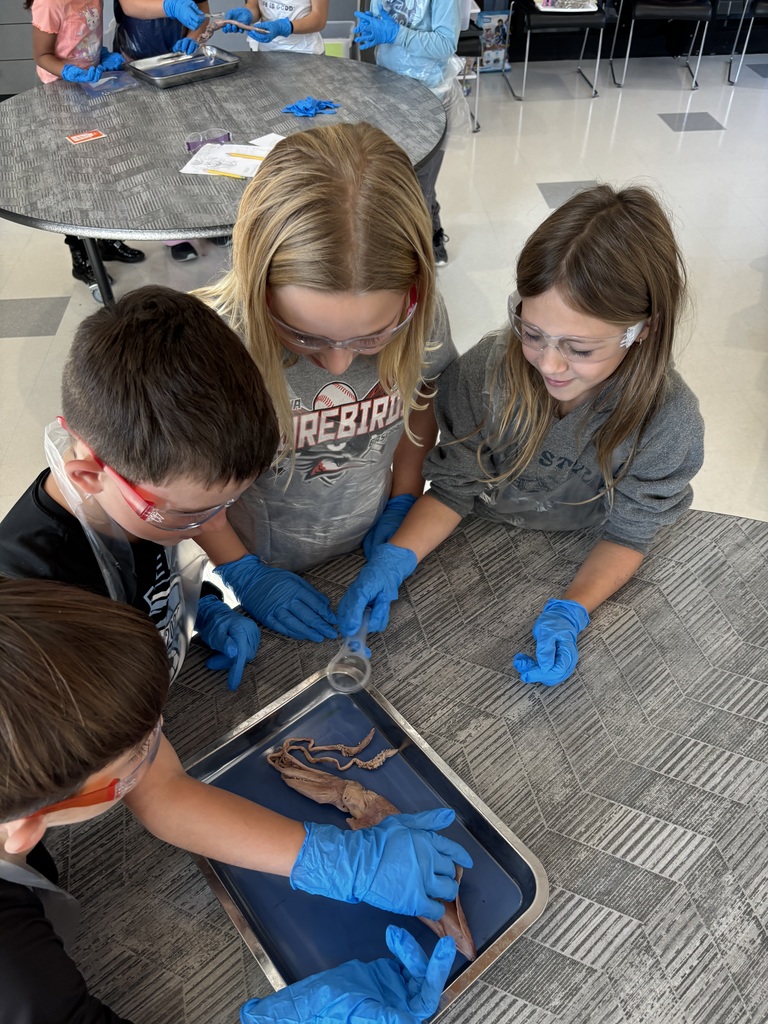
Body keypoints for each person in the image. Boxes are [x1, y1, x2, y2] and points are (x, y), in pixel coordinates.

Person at [0, 577, 469, 1022]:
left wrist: (343, 859)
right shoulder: (19, 982)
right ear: (25, 825)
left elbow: (160, 786)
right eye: (137, 759)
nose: (159, 751)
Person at [338, 184, 705, 687]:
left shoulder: (668, 421)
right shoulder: (486, 373)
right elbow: (454, 487)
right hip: (475, 531)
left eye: (579, 348)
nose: (550, 365)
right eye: (531, 334)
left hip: (584, 544)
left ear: (642, 329)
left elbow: (629, 532)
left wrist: (573, 608)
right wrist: (397, 556)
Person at [0, 284, 339, 690]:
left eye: (226, 503)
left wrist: (205, 607)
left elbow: (156, 574)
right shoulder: (31, 597)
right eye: (192, 514)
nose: (211, 526)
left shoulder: (140, 503)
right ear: (88, 475)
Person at [196, 122, 458, 613]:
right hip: (260, 551)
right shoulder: (216, 342)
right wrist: (239, 568)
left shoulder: (422, 314)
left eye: (370, 337)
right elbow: (187, 480)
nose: (338, 363)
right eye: (303, 336)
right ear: (258, 289)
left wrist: (404, 495)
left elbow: (424, 392)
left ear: (413, 294)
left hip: (367, 532)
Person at [25, 0, 146, 289]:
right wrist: (69, 72)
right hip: (62, 94)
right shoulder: (50, 3)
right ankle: (80, 255)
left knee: (102, 169)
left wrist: (101, 55)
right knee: (77, 179)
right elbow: (42, 55)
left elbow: (84, 40)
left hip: (92, 90)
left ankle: (104, 242)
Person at [114, 0, 236, 260]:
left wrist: (193, 38)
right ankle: (175, 233)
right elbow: (131, 7)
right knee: (158, 144)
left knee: (199, 139)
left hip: (182, 58)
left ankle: (213, 219)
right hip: (138, 61)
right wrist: (171, 7)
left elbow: (201, 11)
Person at [353, 0, 465, 266]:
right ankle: (400, 235)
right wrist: (373, 27)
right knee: (391, 172)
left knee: (418, 183)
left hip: (430, 97)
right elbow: (385, 24)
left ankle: (429, 234)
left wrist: (396, 34)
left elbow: (446, 44)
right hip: (388, 87)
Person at [221, 0, 328, 53]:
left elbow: (318, 19)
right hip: (266, 53)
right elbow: (254, 5)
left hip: (305, 52)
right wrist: (247, 13)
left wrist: (283, 27)